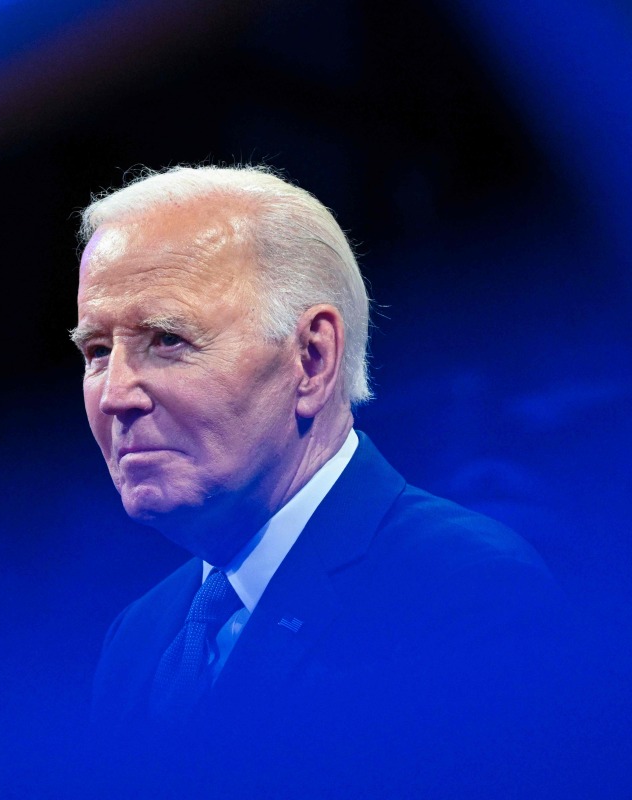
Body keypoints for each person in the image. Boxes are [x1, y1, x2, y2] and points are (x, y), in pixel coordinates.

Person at [72, 165, 561, 794]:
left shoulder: (464, 588)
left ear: (312, 359)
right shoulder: (138, 637)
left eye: (167, 340)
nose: (115, 396)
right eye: (96, 352)